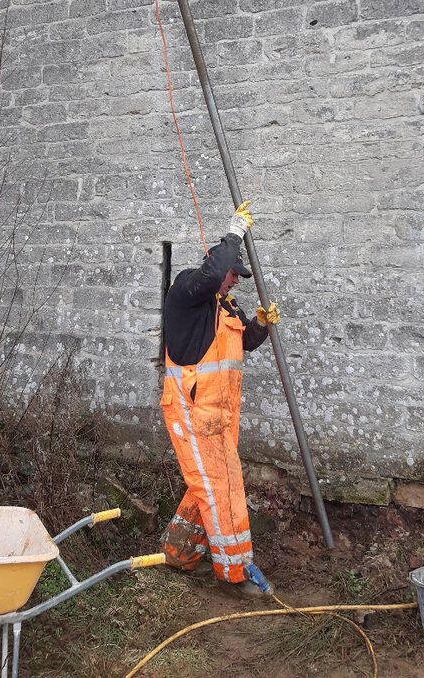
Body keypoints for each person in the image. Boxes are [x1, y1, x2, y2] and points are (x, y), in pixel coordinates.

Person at [160, 201, 280, 596]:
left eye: (239, 276)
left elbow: (244, 342)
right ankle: (237, 572)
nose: (235, 281)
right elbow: (212, 272)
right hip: (192, 412)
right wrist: (235, 231)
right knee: (221, 488)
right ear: (215, 267)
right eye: (232, 272)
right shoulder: (186, 292)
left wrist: (260, 325)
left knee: (207, 488)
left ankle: (178, 555)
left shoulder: (227, 307)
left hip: (221, 415)